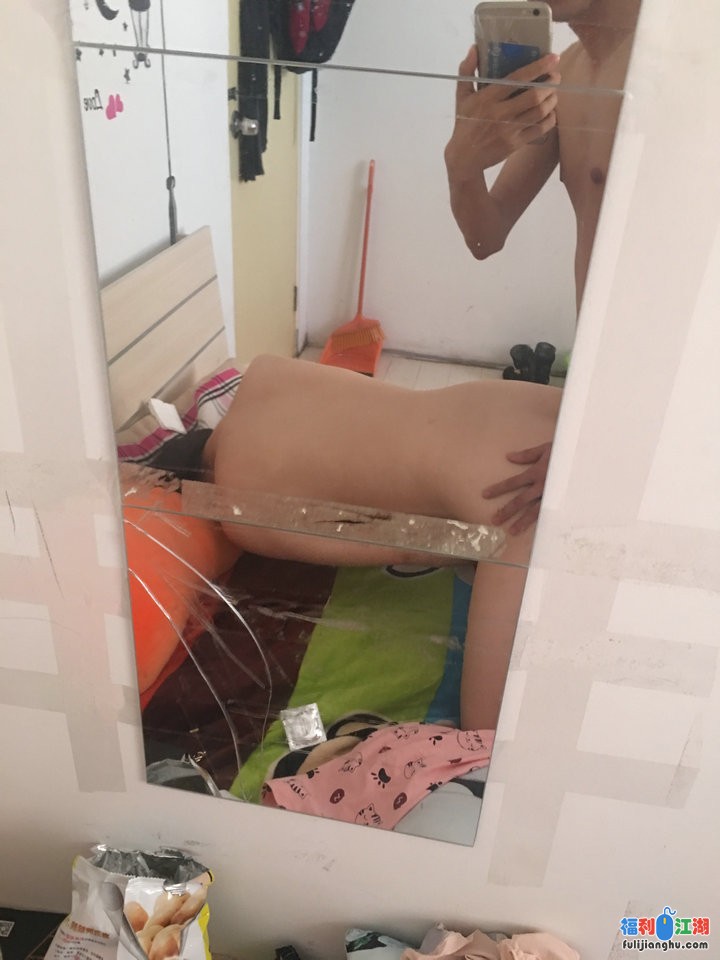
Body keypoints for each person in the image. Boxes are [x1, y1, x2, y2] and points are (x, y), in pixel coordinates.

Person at [185, 353, 563, 732]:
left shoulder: (559, 409)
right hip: (245, 480)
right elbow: (485, 733)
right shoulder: (524, 513)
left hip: (273, 390)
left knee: (441, 533)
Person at [445, 0, 641, 533]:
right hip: (602, 391)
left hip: (659, 411)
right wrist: (460, 164)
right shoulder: (567, 74)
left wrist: (600, 435)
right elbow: (486, 236)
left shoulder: (682, 65)